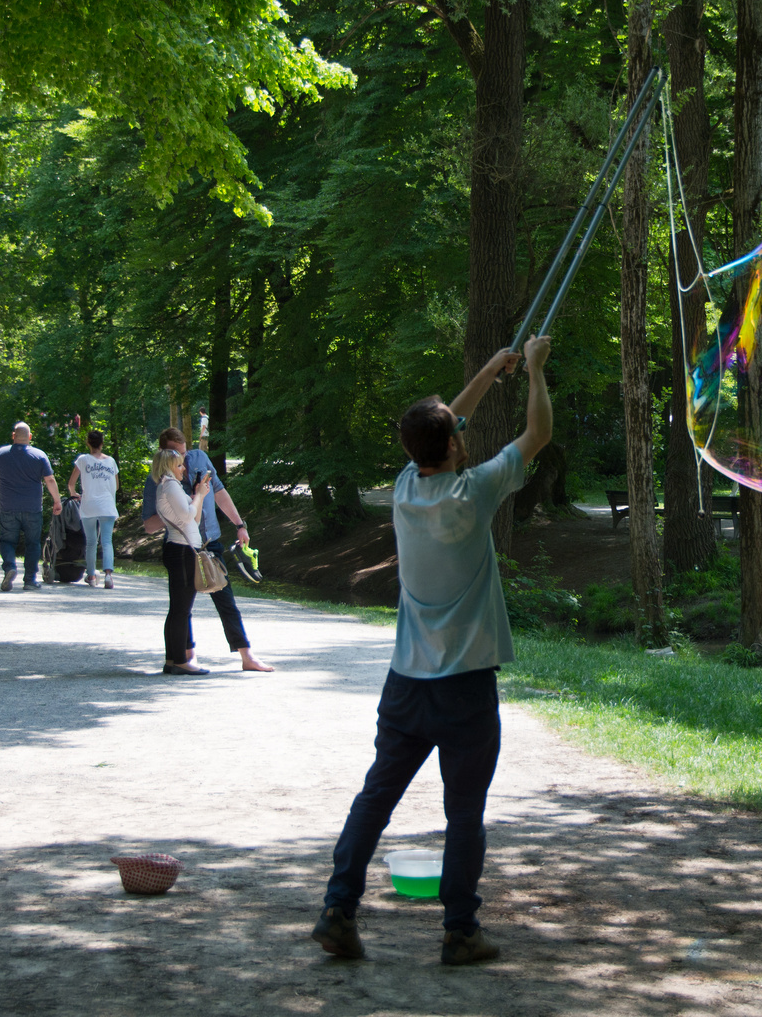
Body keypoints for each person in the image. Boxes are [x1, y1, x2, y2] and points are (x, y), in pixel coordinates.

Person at [311, 335, 553, 966]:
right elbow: (538, 434)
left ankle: (338, 910)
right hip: (466, 688)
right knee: (464, 813)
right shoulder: (474, 493)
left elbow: (449, 422)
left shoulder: (403, 488)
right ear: (452, 447)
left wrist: (487, 371)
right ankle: (459, 932)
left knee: (375, 798)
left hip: (405, 684)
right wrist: (531, 371)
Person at [141, 427, 272, 672]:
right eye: (175, 456)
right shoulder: (158, 480)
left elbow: (220, 494)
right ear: (163, 452)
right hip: (183, 547)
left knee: (226, 600)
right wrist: (176, 507)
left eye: (183, 453)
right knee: (182, 606)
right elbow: (150, 525)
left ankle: (246, 655)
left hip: (208, 543)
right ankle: (185, 656)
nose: (183, 462)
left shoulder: (199, 458)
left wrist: (239, 525)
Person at [152, 447, 216, 675]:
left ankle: (173, 660)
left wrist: (200, 495)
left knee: (179, 609)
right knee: (181, 610)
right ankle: (179, 660)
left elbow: (195, 518)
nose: (183, 469)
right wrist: (198, 496)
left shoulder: (170, 487)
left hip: (182, 549)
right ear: (169, 467)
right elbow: (189, 515)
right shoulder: (169, 485)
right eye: (179, 465)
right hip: (181, 550)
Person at [0, 422, 64, 591]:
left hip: (8, 507)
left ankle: (10, 568)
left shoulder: (1, 453)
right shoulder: (39, 455)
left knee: (7, 540)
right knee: (33, 543)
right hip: (33, 508)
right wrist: (57, 501)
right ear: (30, 437)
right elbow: (49, 480)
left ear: (13, 436)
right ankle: (29, 580)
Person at [67, 429, 120, 589]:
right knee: (107, 542)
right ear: (102, 443)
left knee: (91, 542)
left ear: (88, 443)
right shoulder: (111, 461)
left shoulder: (82, 460)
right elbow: (116, 485)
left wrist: (74, 494)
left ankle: (91, 575)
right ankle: (108, 576)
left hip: (89, 504)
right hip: (107, 505)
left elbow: (71, 483)